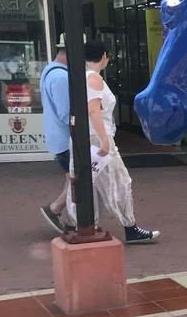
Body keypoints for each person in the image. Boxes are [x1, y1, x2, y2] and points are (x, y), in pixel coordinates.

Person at [65, 40, 160, 243]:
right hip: (98, 138)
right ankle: (130, 227)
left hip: (82, 138)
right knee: (119, 182)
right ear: (105, 56)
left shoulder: (80, 78)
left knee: (86, 183)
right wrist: (105, 140)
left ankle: (86, 224)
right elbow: (94, 111)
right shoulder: (95, 79)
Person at [39, 34, 75, 233]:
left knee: (72, 178)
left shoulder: (49, 71)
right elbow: (66, 113)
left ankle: (70, 219)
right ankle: (55, 208)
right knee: (76, 179)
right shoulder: (61, 77)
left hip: (57, 137)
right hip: (65, 139)